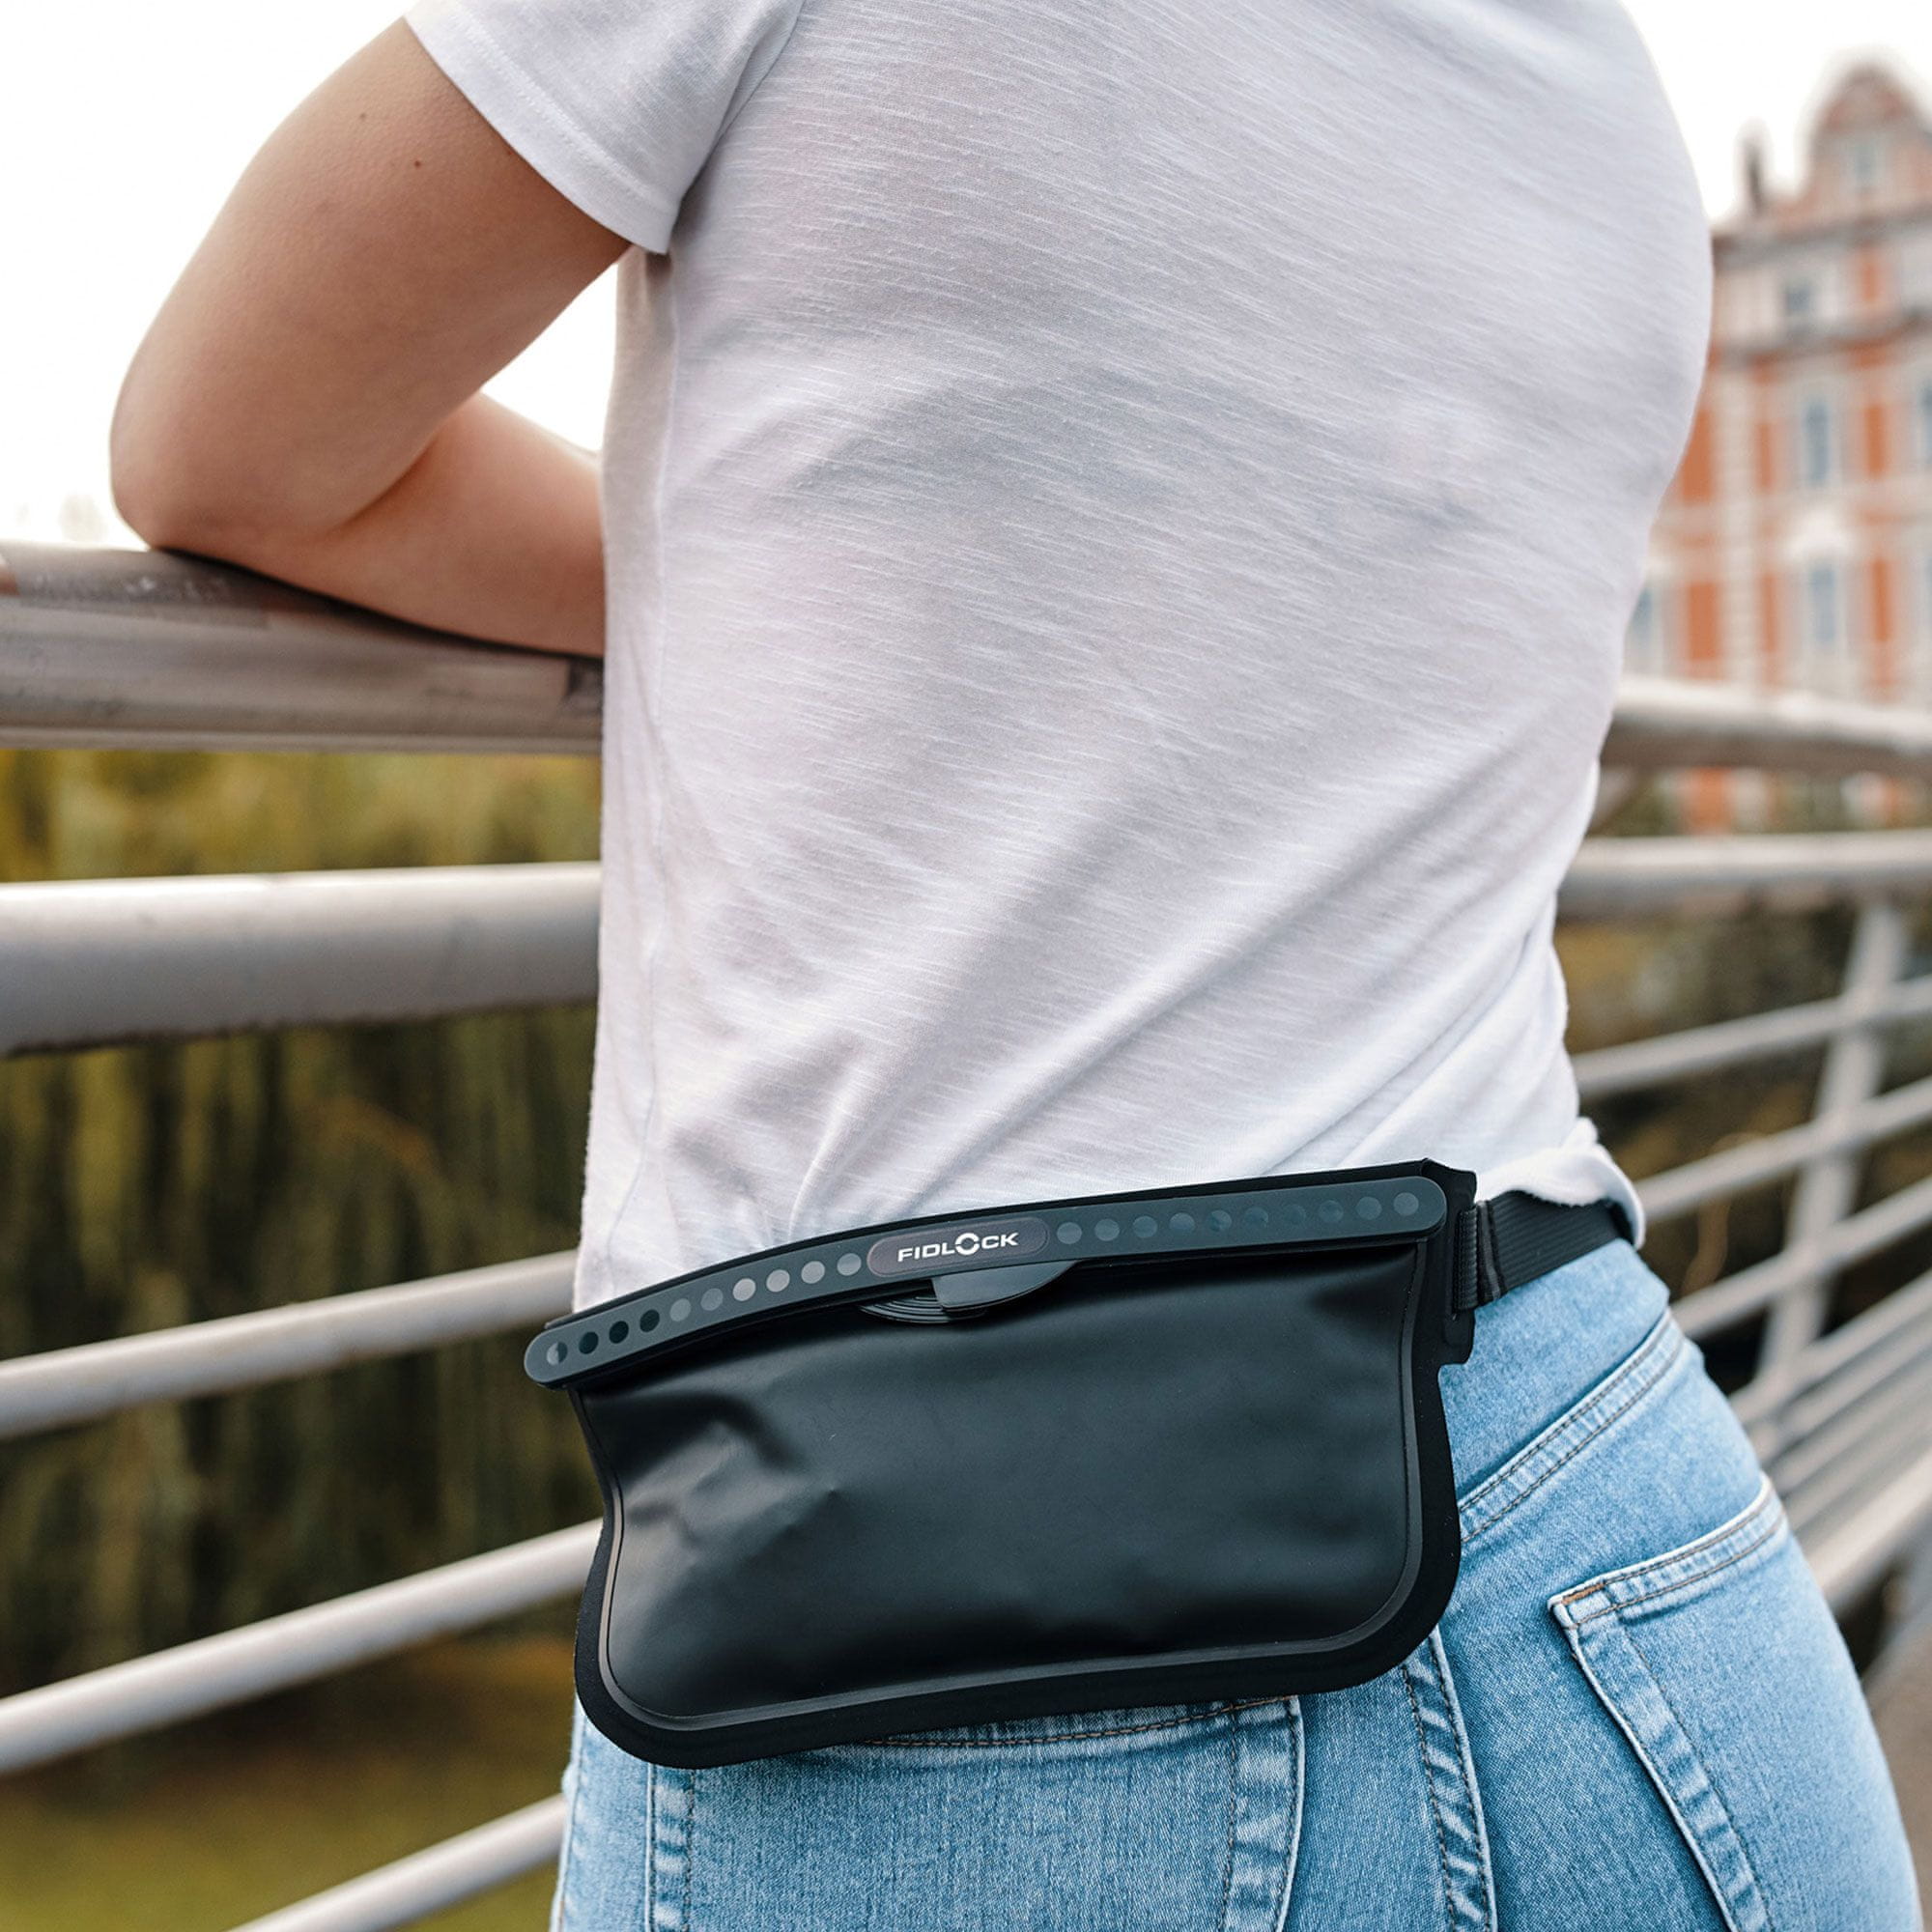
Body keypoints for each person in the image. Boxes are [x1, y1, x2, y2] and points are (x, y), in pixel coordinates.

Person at [109, 1, 1918, 1924]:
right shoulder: (1600, 90)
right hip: (1609, 1513)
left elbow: (231, 451)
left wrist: (754, 567)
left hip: (936, 1615)